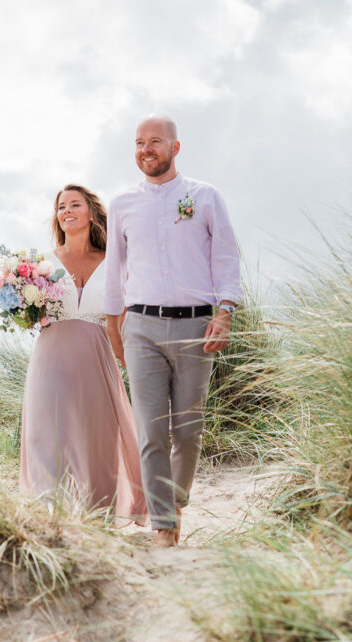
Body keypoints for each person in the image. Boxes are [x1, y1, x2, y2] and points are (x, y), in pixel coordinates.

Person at [104, 115, 243, 547]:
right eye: (139, 143)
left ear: (175, 147)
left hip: (196, 326)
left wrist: (225, 312)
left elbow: (225, 257)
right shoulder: (122, 203)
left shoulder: (204, 197)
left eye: (155, 142)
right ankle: (164, 525)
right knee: (150, 431)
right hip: (140, 326)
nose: (146, 150)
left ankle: (175, 502)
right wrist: (113, 328)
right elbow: (115, 270)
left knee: (187, 430)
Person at [19, 184, 146, 522]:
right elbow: (29, 311)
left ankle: (97, 515)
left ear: (91, 212)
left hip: (96, 355)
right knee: (46, 432)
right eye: (61, 207)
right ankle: (51, 515)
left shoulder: (114, 261)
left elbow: (128, 310)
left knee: (97, 436)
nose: (67, 211)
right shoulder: (40, 264)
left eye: (75, 204)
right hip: (51, 357)